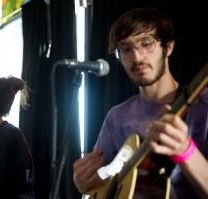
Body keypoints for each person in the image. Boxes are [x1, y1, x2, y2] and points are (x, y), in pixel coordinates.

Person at [73, 7, 208, 199]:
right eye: (126, 49)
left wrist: (186, 151)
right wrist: (86, 184)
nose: (137, 57)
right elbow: (100, 181)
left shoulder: (203, 105)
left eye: (146, 43)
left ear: (168, 47)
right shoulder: (116, 117)